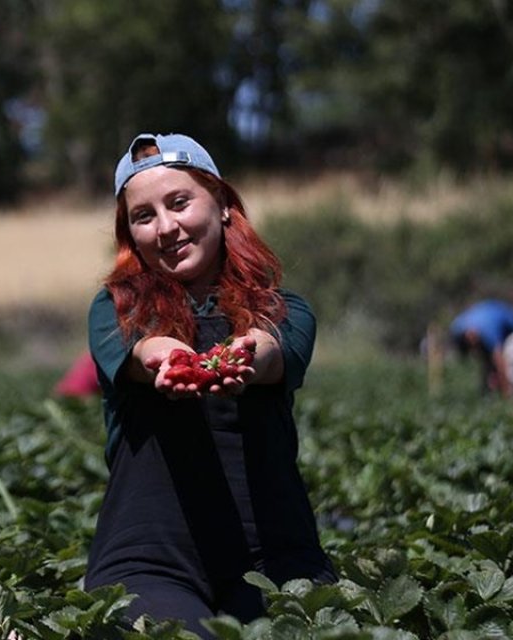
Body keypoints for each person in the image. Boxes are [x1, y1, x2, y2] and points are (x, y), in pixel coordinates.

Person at [84, 133, 335, 636]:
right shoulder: (116, 309)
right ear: (131, 234)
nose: (166, 227)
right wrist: (170, 359)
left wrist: (239, 356)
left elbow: (269, 351)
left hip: (276, 557)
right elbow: (143, 352)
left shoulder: (287, 310)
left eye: (179, 203)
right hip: (149, 559)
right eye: (144, 216)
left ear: (221, 204)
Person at [449, 299, 513, 399]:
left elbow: (500, 361)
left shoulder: (488, 332)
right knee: (488, 369)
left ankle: (512, 397)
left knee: (509, 365)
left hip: (511, 332)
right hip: (491, 321)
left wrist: (505, 387)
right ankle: (488, 398)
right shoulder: (457, 328)